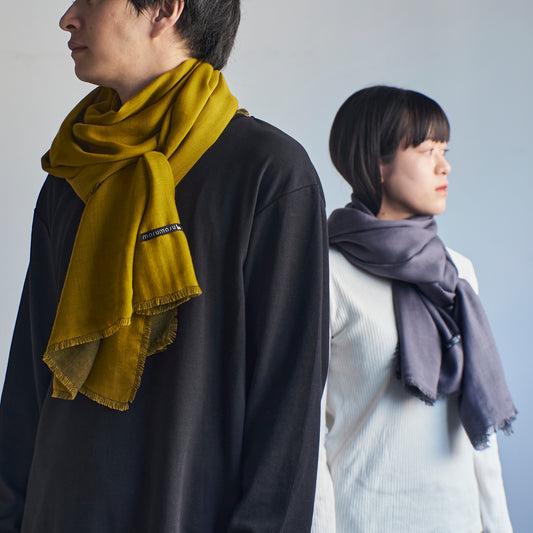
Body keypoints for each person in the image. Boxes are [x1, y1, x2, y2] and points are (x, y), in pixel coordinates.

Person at [0, 1, 329, 531]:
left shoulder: (268, 174)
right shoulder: (70, 175)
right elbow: (27, 377)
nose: (68, 17)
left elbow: (288, 403)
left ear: (164, 11)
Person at [312, 86, 516, 532]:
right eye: (427, 151)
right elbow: (308, 436)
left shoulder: (455, 271)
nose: (445, 166)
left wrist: (498, 525)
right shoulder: (327, 275)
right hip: (364, 520)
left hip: (458, 519)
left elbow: (477, 420)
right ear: (377, 164)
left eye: (444, 150)